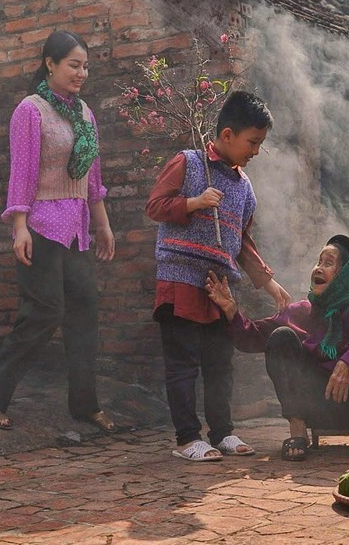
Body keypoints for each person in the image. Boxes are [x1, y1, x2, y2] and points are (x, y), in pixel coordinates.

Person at [0, 30, 117, 433]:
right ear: (50, 64)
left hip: (77, 229)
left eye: (85, 65)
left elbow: (93, 179)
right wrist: (18, 227)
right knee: (44, 312)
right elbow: (22, 173)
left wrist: (102, 225)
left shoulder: (85, 113)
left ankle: (85, 405)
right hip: (40, 226)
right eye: (74, 64)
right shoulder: (30, 110)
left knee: (84, 312)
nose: (81, 73)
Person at [146, 90, 291, 462]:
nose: (256, 151)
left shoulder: (245, 188)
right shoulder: (188, 163)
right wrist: (193, 203)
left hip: (218, 287)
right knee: (183, 364)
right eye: (252, 142)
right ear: (228, 135)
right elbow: (156, 206)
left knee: (219, 365)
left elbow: (242, 242)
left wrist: (269, 282)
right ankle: (187, 438)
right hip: (180, 277)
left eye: (260, 143)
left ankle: (222, 432)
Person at [206, 235, 349, 461]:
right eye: (318, 262)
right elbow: (252, 337)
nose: (318, 269)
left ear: (346, 275)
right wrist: (231, 311)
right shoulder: (301, 311)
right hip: (313, 407)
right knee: (281, 337)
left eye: (328, 263)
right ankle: (297, 430)